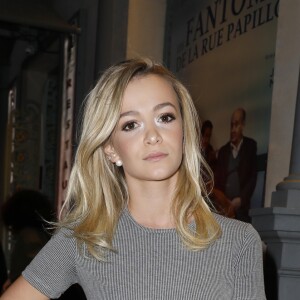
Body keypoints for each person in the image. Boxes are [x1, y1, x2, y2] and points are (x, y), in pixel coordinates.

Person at [1, 58, 265, 299]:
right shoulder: (86, 237)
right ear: (111, 148)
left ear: (184, 131)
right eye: (130, 124)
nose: (153, 135)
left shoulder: (238, 241)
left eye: (165, 117)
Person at [214, 108, 257, 223]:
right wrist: (225, 202)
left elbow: (252, 177)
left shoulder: (251, 146)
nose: (233, 129)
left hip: (243, 209)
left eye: (236, 125)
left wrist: (241, 199)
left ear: (243, 125)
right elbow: (217, 181)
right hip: (224, 210)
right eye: (231, 125)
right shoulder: (223, 151)